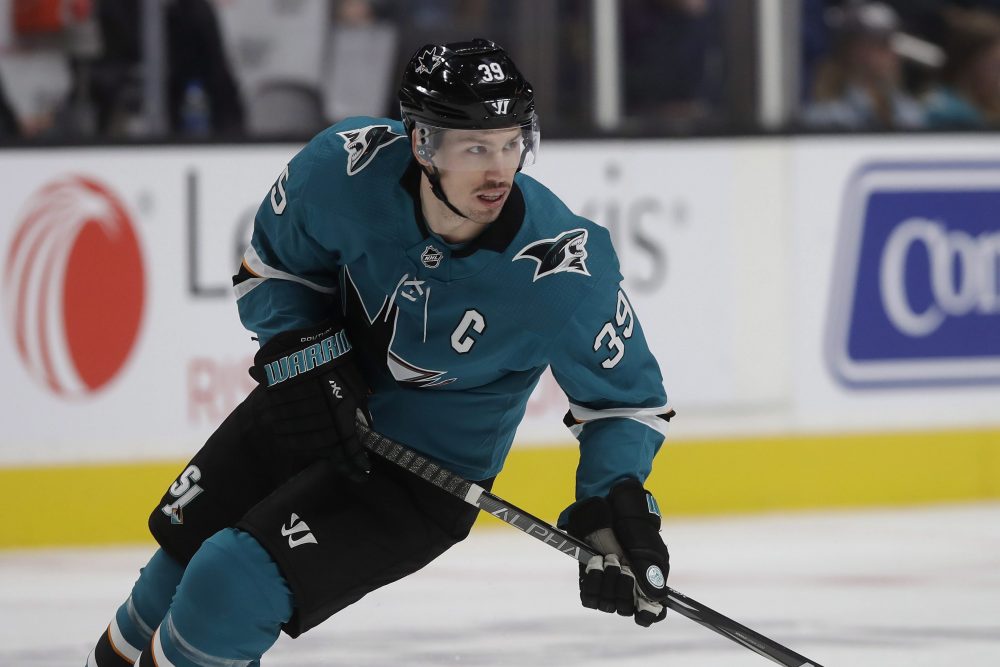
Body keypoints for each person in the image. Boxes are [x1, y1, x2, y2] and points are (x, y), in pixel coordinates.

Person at [86, 38, 674, 667]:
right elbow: (273, 268)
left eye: (511, 144)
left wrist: (610, 502)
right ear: (422, 143)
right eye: (475, 148)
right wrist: (303, 355)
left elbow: (627, 403)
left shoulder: (565, 270)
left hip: (416, 478)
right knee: (164, 584)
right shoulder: (344, 167)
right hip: (309, 406)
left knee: (228, 585)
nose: (500, 171)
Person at [801, 1, 926, 130]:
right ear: (852, 50)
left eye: (891, 45)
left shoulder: (907, 110)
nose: (892, 53)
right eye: (881, 44)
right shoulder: (827, 117)